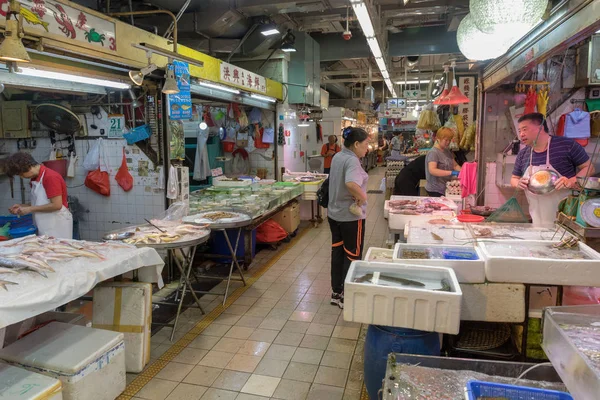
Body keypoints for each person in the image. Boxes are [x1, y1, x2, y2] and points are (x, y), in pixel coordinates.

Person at [511, 112, 593, 227]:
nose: (521, 134)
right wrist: (518, 183)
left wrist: (571, 181)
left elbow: (589, 168)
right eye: (519, 131)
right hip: (537, 220)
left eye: (525, 129)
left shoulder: (566, 145)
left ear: (540, 128)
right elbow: (514, 178)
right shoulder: (523, 154)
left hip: (566, 220)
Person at [327, 127, 369, 309]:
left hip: (334, 215)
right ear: (356, 144)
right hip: (350, 217)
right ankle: (346, 294)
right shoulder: (352, 160)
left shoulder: (338, 156)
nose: (367, 148)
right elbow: (351, 183)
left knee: (338, 252)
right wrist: (363, 197)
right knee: (352, 254)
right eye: (366, 144)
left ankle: (336, 292)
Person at [5, 152, 73, 238]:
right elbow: (40, 201)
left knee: (58, 249)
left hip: (57, 224)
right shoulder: (35, 179)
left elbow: (57, 205)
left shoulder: (50, 177)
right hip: (44, 223)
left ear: (28, 167)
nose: (22, 177)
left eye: (21, 174)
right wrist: (22, 206)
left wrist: (29, 209)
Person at [425, 127, 461, 197]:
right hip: (435, 189)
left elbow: (455, 165)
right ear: (438, 138)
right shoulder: (433, 153)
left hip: (445, 187)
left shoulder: (447, 151)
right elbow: (432, 170)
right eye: (446, 140)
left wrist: (464, 172)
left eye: (449, 140)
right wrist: (451, 172)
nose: (448, 142)